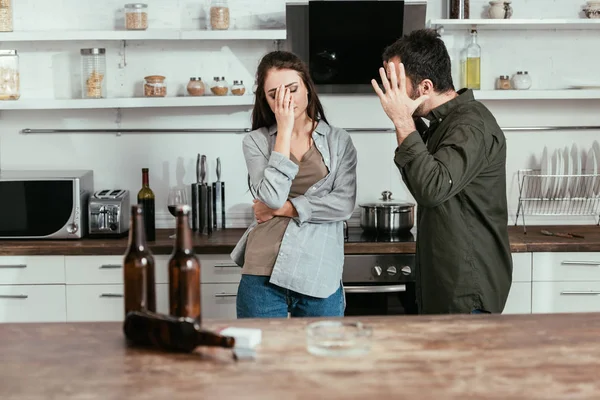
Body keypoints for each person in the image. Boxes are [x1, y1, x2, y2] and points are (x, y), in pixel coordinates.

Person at [371, 29, 512, 315]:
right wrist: (407, 121)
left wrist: (402, 120)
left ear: (424, 87)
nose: (391, 93)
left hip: (467, 290)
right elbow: (427, 180)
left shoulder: (470, 126)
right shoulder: (443, 125)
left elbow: (432, 188)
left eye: (397, 84)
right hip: (447, 285)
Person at [230, 50, 358, 318]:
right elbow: (272, 196)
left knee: (320, 359)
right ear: (265, 101)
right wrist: (284, 130)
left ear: (308, 89)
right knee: (262, 359)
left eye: (292, 89)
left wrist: (284, 209)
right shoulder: (255, 142)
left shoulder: (339, 141)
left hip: (319, 273)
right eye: (274, 94)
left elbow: (343, 205)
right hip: (263, 272)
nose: (285, 100)